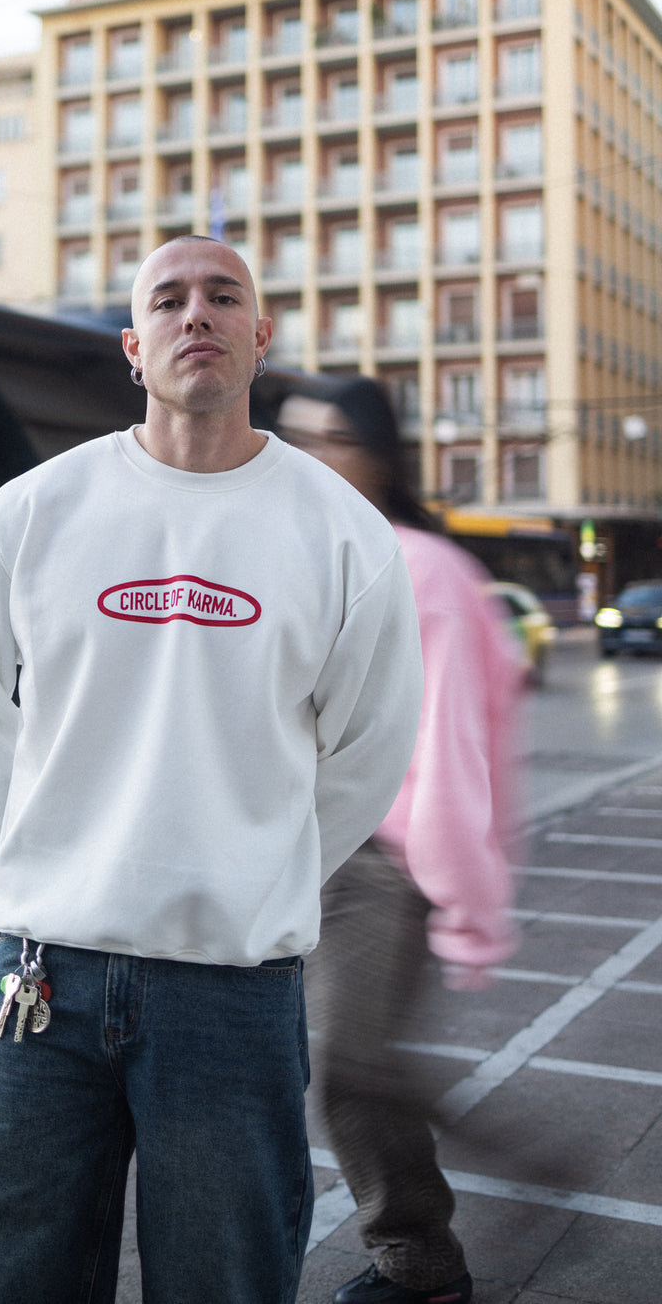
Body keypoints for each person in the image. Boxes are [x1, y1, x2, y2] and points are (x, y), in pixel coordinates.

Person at [0, 237, 424, 1304]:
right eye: (169, 299)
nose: (196, 312)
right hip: (41, 983)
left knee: (222, 1280)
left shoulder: (341, 535)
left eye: (223, 295)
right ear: (133, 348)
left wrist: (255, 870)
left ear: (261, 335)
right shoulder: (32, 512)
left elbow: (368, 746)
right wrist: (29, 854)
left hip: (232, 996)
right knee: (9, 1279)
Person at [279, 377, 524, 1304]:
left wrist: (465, 897)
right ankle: (498, 1174)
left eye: (332, 438)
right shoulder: (303, 550)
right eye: (295, 434)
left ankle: (423, 1265)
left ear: (378, 453)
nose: (310, 454)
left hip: (386, 861)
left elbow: (457, 744)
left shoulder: (423, 566)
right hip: (306, 852)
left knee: (348, 1071)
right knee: (349, 1066)